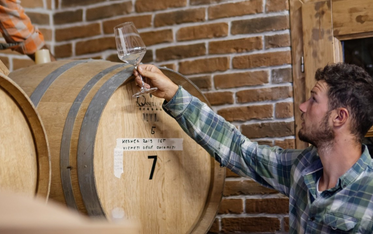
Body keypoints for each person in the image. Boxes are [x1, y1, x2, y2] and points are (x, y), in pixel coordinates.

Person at [134, 62, 373, 233]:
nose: (302, 106)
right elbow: (239, 149)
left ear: (339, 117)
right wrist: (173, 93)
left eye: (313, 99)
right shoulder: (303, 167)